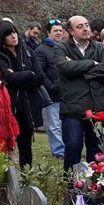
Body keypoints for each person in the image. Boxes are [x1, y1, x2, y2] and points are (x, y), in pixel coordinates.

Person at [57, 15, 104, 170]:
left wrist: (78, 69)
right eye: (80, 26)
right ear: (71, 31)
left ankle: (94, 182)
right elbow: (64, 67)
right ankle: (71, 182)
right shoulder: (62, 47)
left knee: (96, 149)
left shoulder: (99, 47)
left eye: (86, 25)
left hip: (97, 106)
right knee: (74, 146)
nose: (85, 29)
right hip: (73, 107)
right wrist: (91, 63)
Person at [0, 19, 43, 167]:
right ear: (1, 37)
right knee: (4, 144)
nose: (13, 36)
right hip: (9, 105)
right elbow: (8, 78)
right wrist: (29, 74)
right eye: (8, 34)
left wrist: (21, 76)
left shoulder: (27, 52)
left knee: (26, 145)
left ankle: (27, 175)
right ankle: (5, 176)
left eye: (14, 32)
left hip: (27, 105)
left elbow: (39, 77)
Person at [33, 19, 68, 158]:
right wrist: (52, 86)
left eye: (60, 30)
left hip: (68, 94)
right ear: (48, 32)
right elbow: (40, 72)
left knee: (66, 124)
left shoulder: (66, 47)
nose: (59, 33)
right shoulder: (41, 50)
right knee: (54, 125)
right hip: (52, 95)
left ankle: (67, 148)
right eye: (55, 31)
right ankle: (58, 151)